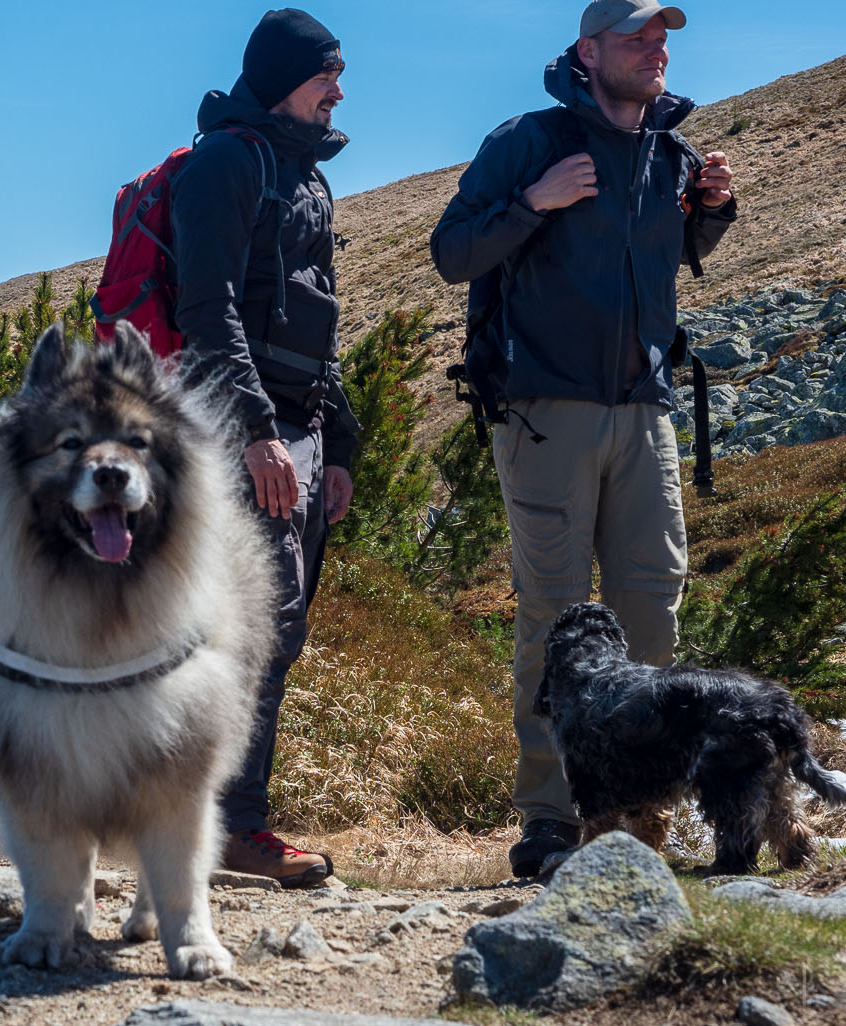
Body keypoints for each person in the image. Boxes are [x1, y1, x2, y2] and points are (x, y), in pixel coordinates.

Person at [430, 0, 737, 878]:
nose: (658, 51)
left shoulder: (668, 151)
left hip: (644, 410)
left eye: (664, 39)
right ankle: (550, 820)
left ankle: (635, 818)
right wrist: (534, 200)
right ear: (588, 50)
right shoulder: (527, 140)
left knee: (651, 608)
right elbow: (453, 253)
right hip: (542, 412)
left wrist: (709, 211)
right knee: (558, 619)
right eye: (639, 39)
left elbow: (665, 257)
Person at [171, 8, 358, 888]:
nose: (339, 90)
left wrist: (339, 444)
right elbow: (209, 311)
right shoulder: (226, 164)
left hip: (301, 432)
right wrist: (254, 434)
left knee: (274, 628)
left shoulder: (305, 177)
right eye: (326, 74)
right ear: (284, 77)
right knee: (254, 624)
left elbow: (316, 321)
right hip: (242, 432)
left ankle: (215, 821)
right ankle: (224, 827)